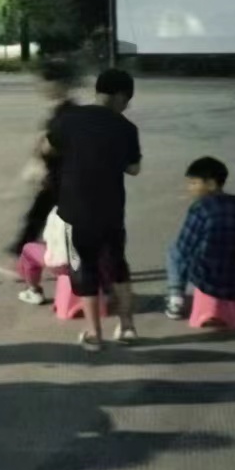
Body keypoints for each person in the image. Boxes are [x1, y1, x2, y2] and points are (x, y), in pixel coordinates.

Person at [46, 67, 142, 351]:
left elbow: (49, 147)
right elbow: (134, 168)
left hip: (74, 210)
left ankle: (93, 334)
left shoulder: (69, 119)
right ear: (121, 96)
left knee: (83, 268)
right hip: (111, 210)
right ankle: (127, 327)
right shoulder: (126, 128)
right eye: (127, 101)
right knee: (117, 266)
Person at [8, 57, 79, 306]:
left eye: (47, 81)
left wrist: (40, 159)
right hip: (64, 180)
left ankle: (31, 276)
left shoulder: (66, 113)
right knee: (39, 218)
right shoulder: (67, 111)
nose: (42, 87)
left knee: (41, 221)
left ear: (60, 84)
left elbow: (50, 146)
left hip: (58, 180)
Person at [164, 156, 235, 320]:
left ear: (211, 184)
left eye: (194, 183)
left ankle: (176, 300)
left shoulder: (200, 208)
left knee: (174, 251)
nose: (189, 188)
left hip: (207, 279)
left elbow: (184, 246)